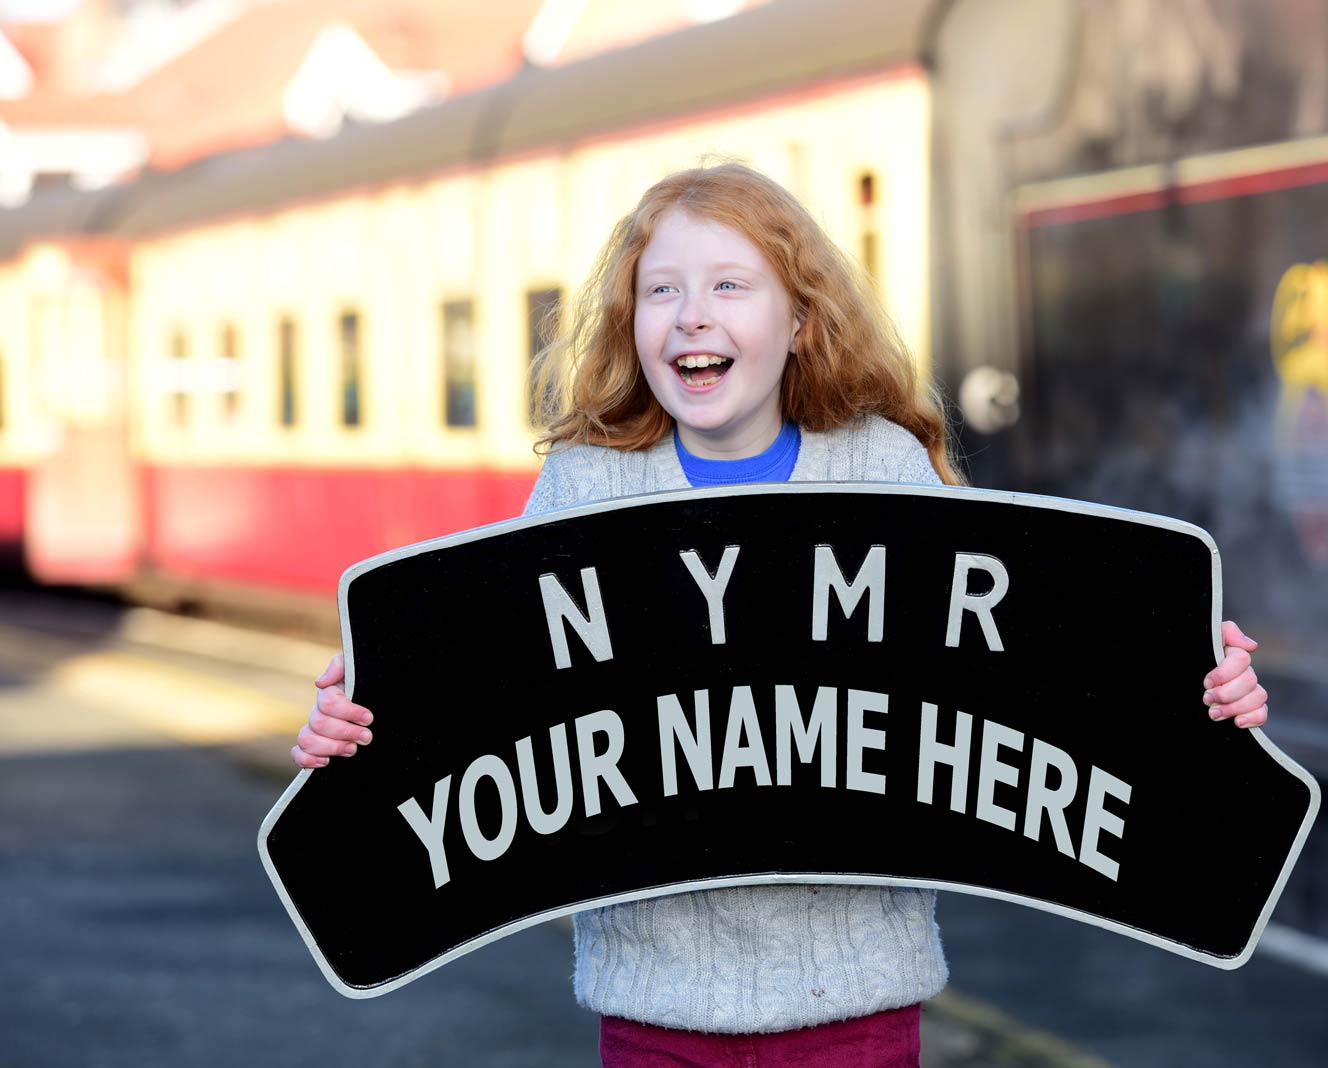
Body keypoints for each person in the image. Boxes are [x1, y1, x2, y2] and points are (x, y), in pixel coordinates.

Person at [290, 163, 1270, 1066]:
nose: (689, 317)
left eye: (729, 285)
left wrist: (1198, 690)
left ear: (800, 317)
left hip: (855, 1009)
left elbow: (1025, 676)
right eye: (661, 290)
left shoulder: (878, 469)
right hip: (653, 1011)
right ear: (629, 321)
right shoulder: (586, 489)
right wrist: (359, 723)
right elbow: (489, 698)